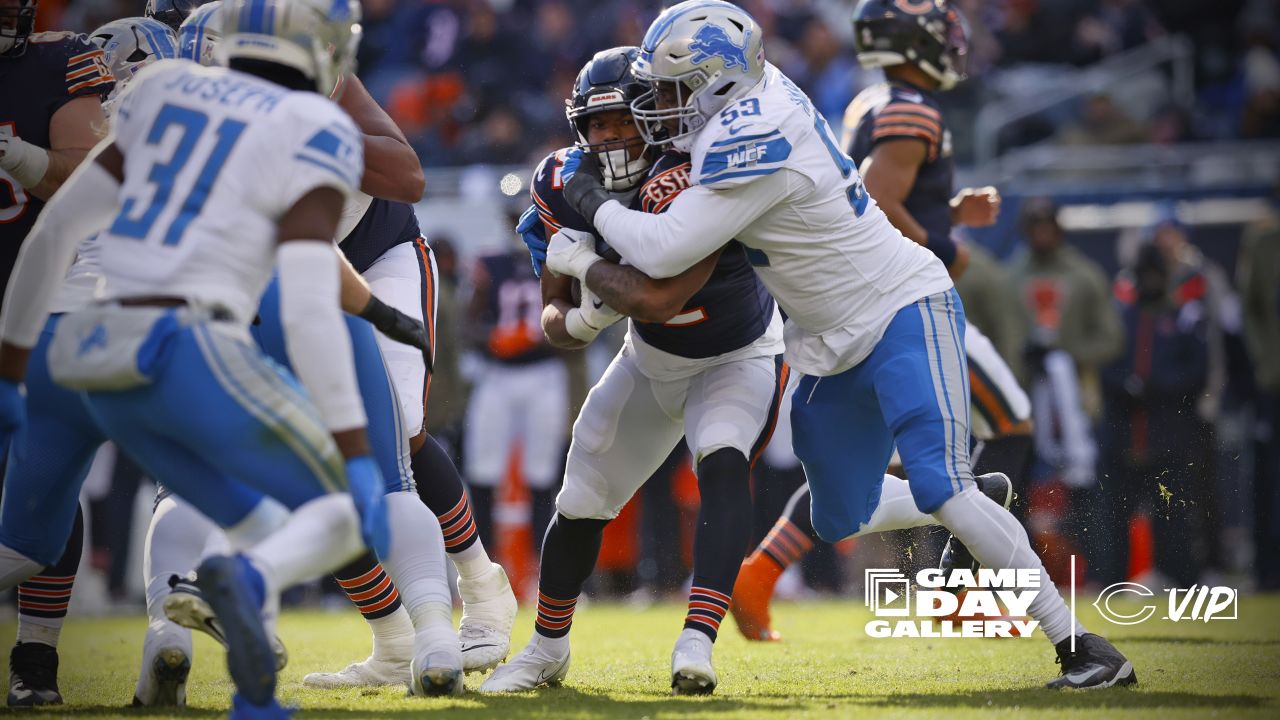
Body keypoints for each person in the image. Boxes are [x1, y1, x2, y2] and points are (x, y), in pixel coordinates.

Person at [547, 0, 1135, 689]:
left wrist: (583, 215)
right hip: (825, 342)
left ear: (720, 83)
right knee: (836, 514)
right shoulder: (742, 109)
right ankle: (973, 497)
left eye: (675, 90)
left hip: (898, 307)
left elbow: (664, 245)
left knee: (944, 484)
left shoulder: (753, 132)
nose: (660, 107)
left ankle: (1081, 648)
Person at [0, 1, 393, 714]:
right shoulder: (314, 126)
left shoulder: (162, 91)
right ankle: (236, 585)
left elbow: (54, 231)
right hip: (181, 345)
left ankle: (253, 681)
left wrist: (10, 367)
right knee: (341, 515)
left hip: (76, 345)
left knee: (22, 546)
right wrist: (353, 441)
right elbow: (305, 300)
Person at [147, 2, 516, 694]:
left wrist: (307, 127)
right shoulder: (181, 111)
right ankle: (394, 639)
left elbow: (406, 175)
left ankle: (483, 588)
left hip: (375, 257)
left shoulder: (313, 78)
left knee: (397, 432)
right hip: (289, 276)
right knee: (321, 455)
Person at [478, 44, 785, 695]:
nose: (610, 136)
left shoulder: (701, 167)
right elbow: (553, 321)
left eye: (622, 119)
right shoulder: (560, 180)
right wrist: (583, 319)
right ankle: (546, 648)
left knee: (722, 462)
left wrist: (589, 270)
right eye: (596, 124)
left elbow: (660, 296)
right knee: (581, 497)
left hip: (737, 354)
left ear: (656, 112)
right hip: (651, 360)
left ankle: (696, 641)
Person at [730, 0, 1034, 642]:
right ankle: (961, 584)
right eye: (939, 33)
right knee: (1006, 424)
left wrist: (949, 213)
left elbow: (866, 202)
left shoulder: (869, 102)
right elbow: (883, 200)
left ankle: (765, 571)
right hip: (901, 301)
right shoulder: (909, 108)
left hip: (863, 304)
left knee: (866, 479)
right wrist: (946, 245)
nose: (952, 44)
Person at [0, 0, 115, 705]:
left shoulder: (58, 61)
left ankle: (34, 660)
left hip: (44, 304)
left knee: (42, 492)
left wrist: (19, 155)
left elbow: (96, 177)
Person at [1098, 243, 1209, 586]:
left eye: (1155, 274)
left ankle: (1179, 581)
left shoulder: (1182, 317)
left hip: (1168, 436)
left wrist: (1158, 385)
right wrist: (1126, 386)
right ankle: (1112, 582)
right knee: (1115, 517)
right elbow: (1104, 364)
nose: (1149, 281)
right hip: (1123, 434)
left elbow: (1198, 371)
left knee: (1172, 515)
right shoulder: (1120, 318)